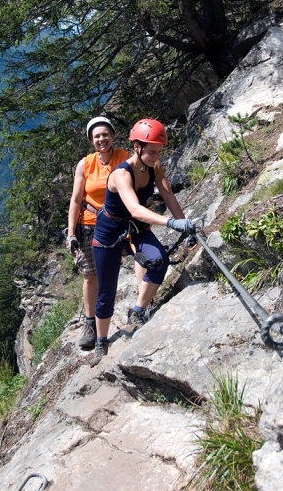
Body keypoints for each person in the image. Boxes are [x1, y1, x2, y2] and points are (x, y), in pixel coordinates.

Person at [91, 118, 194, 365]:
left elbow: (168, 194)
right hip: (109, 233)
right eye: (152, 151)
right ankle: (101, 341)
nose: (156, 156)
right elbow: (135, 209)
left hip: (134, 229)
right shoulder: (120, 174)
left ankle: (137, 311)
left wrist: (185, 224)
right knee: (106, 291)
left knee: (159, 260)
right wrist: (171, 223)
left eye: (159, 151)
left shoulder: (154, 166)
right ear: (137, 147)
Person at [66, 116, 129, 349]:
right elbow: (75, 200)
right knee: (91, 276)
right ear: (91, 140)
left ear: (112, 135)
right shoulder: (86, 164)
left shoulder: (125, 157)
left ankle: (144, 306)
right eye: (97, 136)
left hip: (119, 223)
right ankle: (90, 323)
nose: (101, 139)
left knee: (142, 258)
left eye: (105, 134)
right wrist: (71, 233)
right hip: (90, 225)